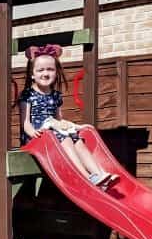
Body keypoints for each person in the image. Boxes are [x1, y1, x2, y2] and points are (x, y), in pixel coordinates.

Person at [18, 45, 119, 190]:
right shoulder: (28, 94)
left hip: (53, 131)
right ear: (32, 74)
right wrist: (33, 133)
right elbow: (25, 122)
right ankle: (86, 177)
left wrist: (79, 127)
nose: (45, 73)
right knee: (64, 138)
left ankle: (100, 174)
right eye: (40, 70)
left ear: (56, 72)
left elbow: (59, 120)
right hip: (36, 137)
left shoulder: (55, 95)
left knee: (76, 139)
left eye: (50, 69)